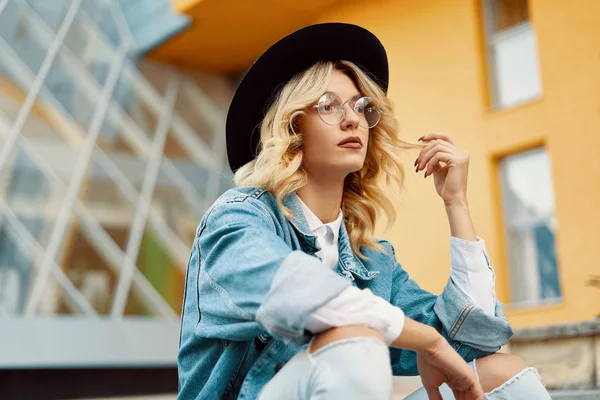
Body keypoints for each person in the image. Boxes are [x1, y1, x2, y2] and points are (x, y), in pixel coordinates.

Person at [177, 23, 551, 400]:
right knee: (357, 343)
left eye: (362, 107)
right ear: (292, 126)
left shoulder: (370, 260)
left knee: (502, 376)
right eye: (328, 106)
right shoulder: (237, 218)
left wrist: (456, 203)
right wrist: (426, 341)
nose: (353, 119)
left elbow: (472, 344)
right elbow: (293, 290)